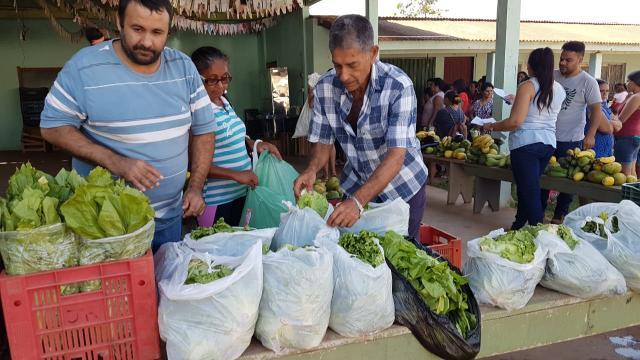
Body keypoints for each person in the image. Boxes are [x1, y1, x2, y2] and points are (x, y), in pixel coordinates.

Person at [40, 0, 216, 252]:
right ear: (119, 22)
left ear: (168, 31)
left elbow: (204, 132)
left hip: (169, 220)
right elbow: (52, 127)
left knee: (164, 287)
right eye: (137, 29)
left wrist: (196, 187)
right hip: (106, 229)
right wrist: (116, 162)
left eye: (157, 33)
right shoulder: (84, 67)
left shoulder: (184, 68)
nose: (146, 41)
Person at [293, 14, 428, 241]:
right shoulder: (325, 88)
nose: (344, 76)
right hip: (357, 183)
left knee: (400, 261)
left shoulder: (398, 86)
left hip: (402, 188)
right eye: (337, 65)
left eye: (352, 65)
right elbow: (323, 141)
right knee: (359, 256)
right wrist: (312, 169)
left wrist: (357, 201)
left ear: (373, 53)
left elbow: (396, 157)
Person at [190, 46, 281, 227]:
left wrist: (254, 143)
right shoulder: (197, 110)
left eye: (225, 78)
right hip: (216, 200)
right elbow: (193, 164)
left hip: (241, 194)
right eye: (212, 80)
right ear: (197, 79)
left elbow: (235, 134)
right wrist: (235, 175)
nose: (221, 86)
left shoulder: (224, 101)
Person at [484, 48, 566, 229]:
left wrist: (492, 126)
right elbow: (539, 110)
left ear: (531, 65)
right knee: (526, 187)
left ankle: (539, 233)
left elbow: (515, 122)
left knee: (529, 191)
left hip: (526, 144)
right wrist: (518, 100)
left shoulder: (527, 86)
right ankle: (518, 224)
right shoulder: (558, 88)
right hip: (547, 144)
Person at [541, 41, 605, 224]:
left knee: (568, 182)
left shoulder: (588, 82)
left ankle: (559, 216)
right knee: (543, 176)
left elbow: (596, 111)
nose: (562, 63)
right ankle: (538, 213)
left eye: (568, 60)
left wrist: (591, 134)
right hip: (547, 136)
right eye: (561, 59)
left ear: (580, 60)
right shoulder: (551, 76)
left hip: (571, 139)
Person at [613, 70, 640, 177]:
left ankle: (623, 194)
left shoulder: (636, 97)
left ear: (635, 82)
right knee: (632, 172)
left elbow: (621, 120)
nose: (626, 83)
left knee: (624, 173)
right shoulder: (633, 96)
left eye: (629, 81)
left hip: (626, 137)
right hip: (634, 136)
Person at [586, 79, 621, 158]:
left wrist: (609, 122)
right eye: (601, 91)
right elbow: (607, 129)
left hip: (607, 150)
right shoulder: (591, 106)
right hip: (595, 151)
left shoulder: (604, 105)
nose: (605, 94)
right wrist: (611, 123)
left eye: (607, 91)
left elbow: (619, 125)